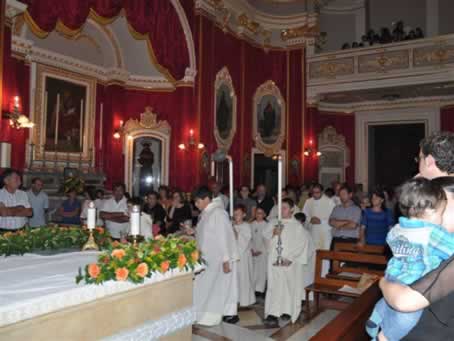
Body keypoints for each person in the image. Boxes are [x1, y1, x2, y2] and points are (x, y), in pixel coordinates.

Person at [366, 178, 452, 340]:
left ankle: (375, 318)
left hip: (393, 274)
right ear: (430, 212)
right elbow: (451, 248)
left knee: (386, 302)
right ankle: (385, 336)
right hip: (411, 282)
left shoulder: (399, 227)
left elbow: (391, 240)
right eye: (441, 212)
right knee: (408, 318)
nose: (441, 218)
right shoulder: (432, 233)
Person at [263, 198, 314, 327]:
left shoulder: (296, 226)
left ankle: (287, 310)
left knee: (288, 286)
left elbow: (302, 244)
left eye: (285, 207)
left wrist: (290, 258)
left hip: (290, 262)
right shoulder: (273, 223)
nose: (282, 210)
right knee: (274, 285)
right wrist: (273, 234)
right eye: (280, 207)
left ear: (292, 209)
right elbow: (265, 239)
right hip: (274, 260)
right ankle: (273, 312)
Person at [192, 186, 239, 326]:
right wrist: (192, 231)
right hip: (207, 258)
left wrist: (226, 259)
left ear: (207, 199)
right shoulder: (207, 213)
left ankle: (210, 316)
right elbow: (206, 233)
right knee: (204, 287)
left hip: (217, 259)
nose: (196, 205)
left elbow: (223, 236)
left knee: (215, 289)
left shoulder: (218, 213)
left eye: (197, 201)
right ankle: (201, 314)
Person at [303, 183, 336, 277]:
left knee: (324, 256)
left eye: (317, 193)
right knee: (312, 255)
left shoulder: (330, 202)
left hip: (324, 234)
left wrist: (321, 221)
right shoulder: (308, 202)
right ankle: (312, 277)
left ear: (322, 192)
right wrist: (310, 219)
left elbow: (333, 218)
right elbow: (304, 215)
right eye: (313, 193)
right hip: (312, 233)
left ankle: (324, 276)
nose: (315, 195)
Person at [233, 205, 255, 307]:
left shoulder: (246, 226)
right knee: (235, 278)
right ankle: (235, 298)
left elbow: (244, 241)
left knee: (244, 278)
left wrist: (233, 231)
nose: (236, 216)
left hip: (243, 256)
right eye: (235, 213)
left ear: (244, 215)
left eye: (238, 214)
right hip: (233, 256)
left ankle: (246, 300)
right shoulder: (231, 225)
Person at [250, 207, 268, 297]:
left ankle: (260, 290)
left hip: (262, 252)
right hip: (253, 252)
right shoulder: (252, 224)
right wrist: (252, 249)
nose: (258, 215)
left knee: (261, 271)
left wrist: (260, 250)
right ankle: (253, 289)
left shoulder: (266, 225)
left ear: (264, 215)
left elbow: (266, 240)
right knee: (254, 271)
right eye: (257, 213)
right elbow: (250, 238)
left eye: (261, 213)